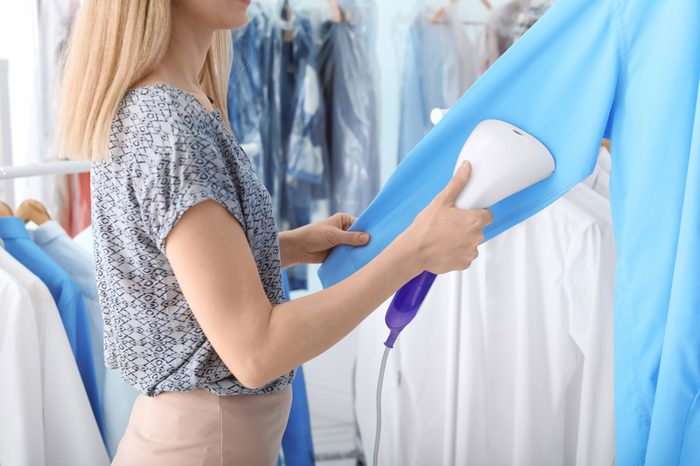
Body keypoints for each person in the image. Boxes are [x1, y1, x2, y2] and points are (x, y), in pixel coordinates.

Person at [57, 0, 493, 464]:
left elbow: (172, 275)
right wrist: (414, 251)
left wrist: (288, 246)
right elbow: (256, 351)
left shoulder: (175, 101)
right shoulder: (168, 122)